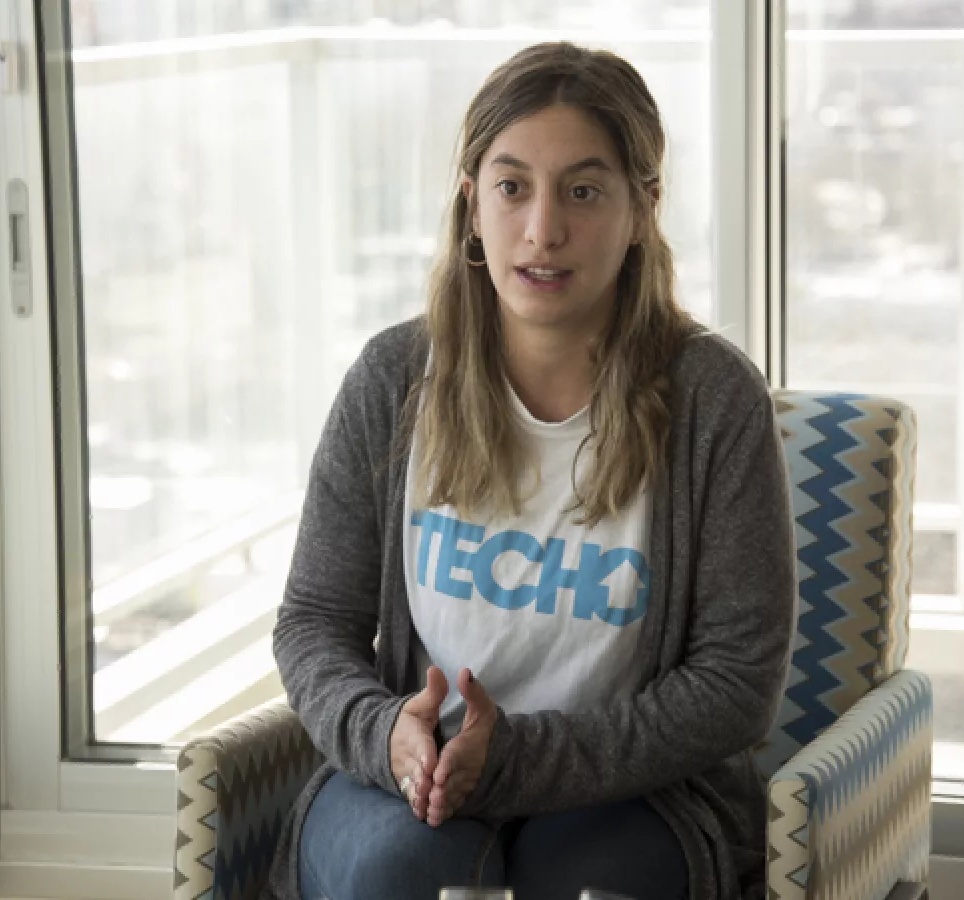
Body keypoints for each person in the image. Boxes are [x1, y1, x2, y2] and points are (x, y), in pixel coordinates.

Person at [267, 41, 795, 900]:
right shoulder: (392, 381)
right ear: (472, 203)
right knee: (409, 870)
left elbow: (736, 684)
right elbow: (314, 622)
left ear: (642, 209)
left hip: (630, 794)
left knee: (577, 883)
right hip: (409, 783)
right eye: (512, 187)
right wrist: (383, 733)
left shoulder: (714, 400)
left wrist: (513, 759)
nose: (543, 230)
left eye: (583, 192)